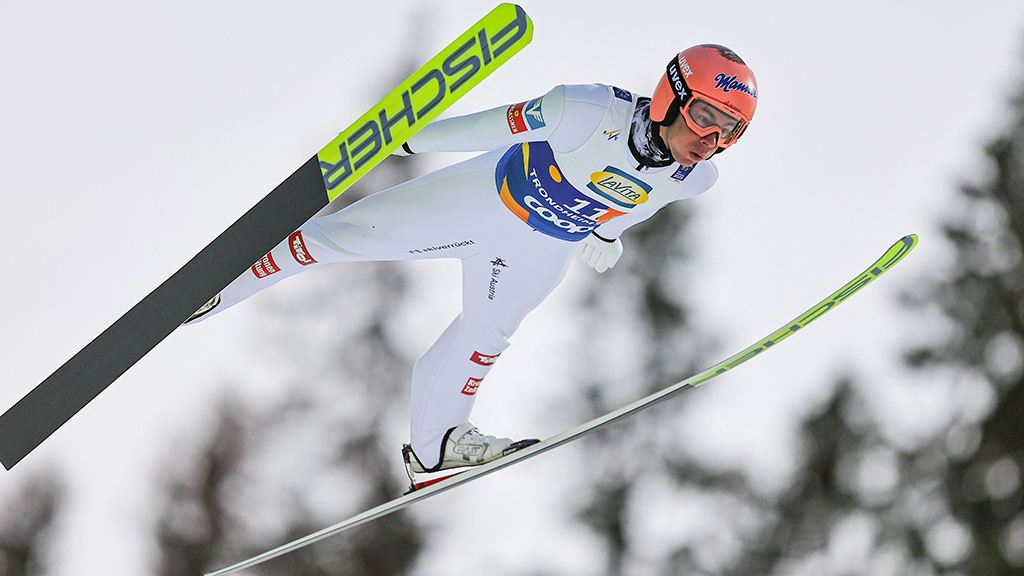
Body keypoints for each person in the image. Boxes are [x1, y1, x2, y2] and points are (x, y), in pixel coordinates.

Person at [185, 44, 758, 477]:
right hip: (481, 203)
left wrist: (605, 236)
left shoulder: (695, 178)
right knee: (340, 238)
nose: (712, 138)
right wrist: (404, 139)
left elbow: (634, 198)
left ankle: (434, 449)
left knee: (482, 341)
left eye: (731, 130)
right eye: (707, 116)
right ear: (672, 96)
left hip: (540, 253)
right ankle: (220, 286)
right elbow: (489, 127)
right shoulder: (583, 110)